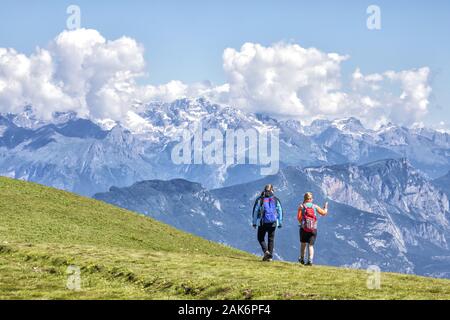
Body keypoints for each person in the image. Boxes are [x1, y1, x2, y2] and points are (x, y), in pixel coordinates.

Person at [252, 184, 283, 262]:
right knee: (271, 239)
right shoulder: (276, 199)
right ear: (272, 190)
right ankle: (270, 258)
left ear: (264, 190)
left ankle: (266, 252)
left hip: (263, 222)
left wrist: (254, 222)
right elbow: (280, 211)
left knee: (260, 237)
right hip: (273, 222)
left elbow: (255, 211)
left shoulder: (260, 199)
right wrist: (280, 222)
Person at [297, 192, 328, 266]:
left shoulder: (302, 206)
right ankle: (310, 260)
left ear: (304, 199)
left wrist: (302, 222)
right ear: (311, 199)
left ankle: (302, 259)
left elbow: (298, 218)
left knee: (303, 244)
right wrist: (325, 207)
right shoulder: (315, 206)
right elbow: (324, 213)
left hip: (304, 228)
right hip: (313, 228)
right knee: (310, 245)